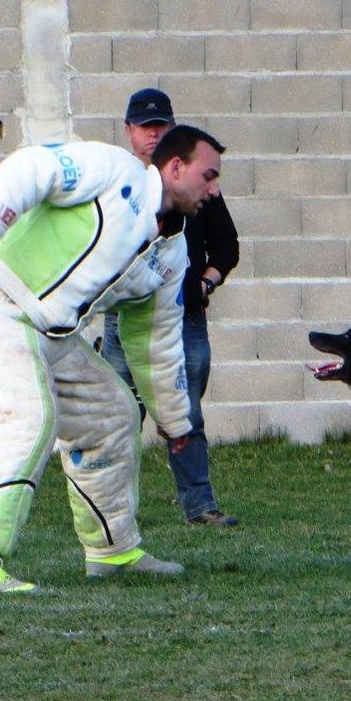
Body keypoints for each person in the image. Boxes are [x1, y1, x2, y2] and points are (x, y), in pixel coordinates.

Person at [0, 124, 225, 593]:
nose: (214, 191)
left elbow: (155, 340)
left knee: (113, 414)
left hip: (52, 337)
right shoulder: (111, 170)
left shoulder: (173, 252)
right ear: (175, 167)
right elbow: (31, 167)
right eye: (209, 175)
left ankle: (113, 552)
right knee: (27, 418)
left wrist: (175, 424)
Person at [99, 88, 240, 528]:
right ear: (129, 133)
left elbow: (227, 247)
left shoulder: (198, 190)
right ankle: (110, 511)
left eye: (162, 125)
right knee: (118, 413)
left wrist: (204, 284)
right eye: (146, 126)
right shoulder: (116, 188)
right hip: (123, 319)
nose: (154, 133)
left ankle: (200, 506)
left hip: (184, 321)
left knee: (184, 411)